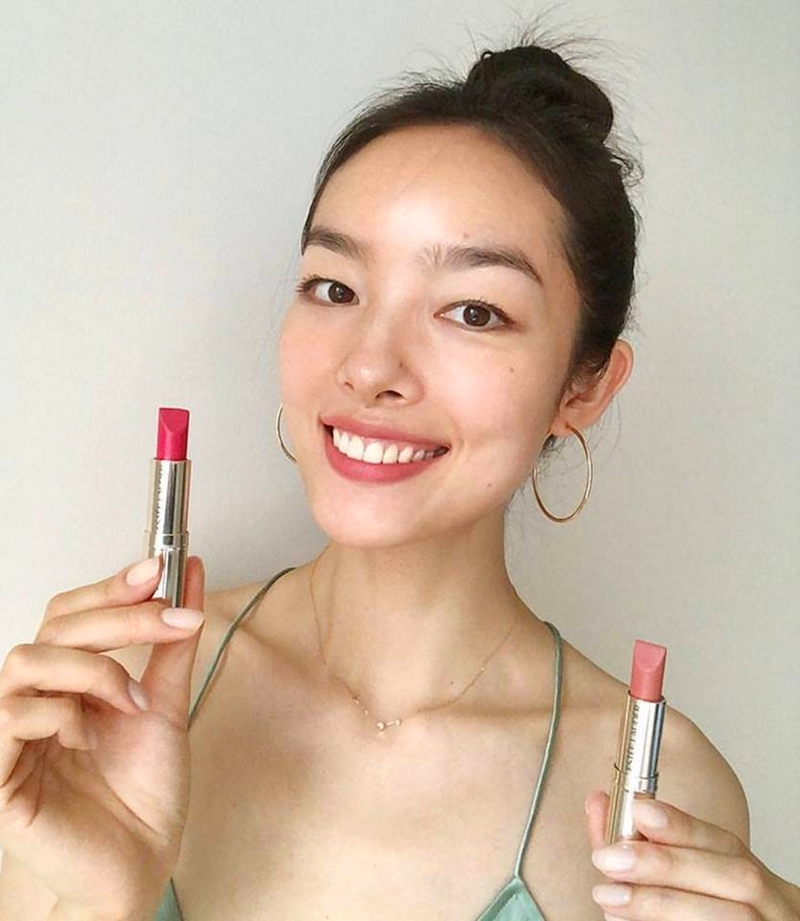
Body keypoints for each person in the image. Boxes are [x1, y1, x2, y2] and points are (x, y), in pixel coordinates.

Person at [0, 31, 798, 921]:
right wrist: (98, 898)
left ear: (584, 387)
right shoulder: (112, 693)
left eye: (473, 310)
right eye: (335, 288)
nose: (369, 365)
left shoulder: (661, 793)